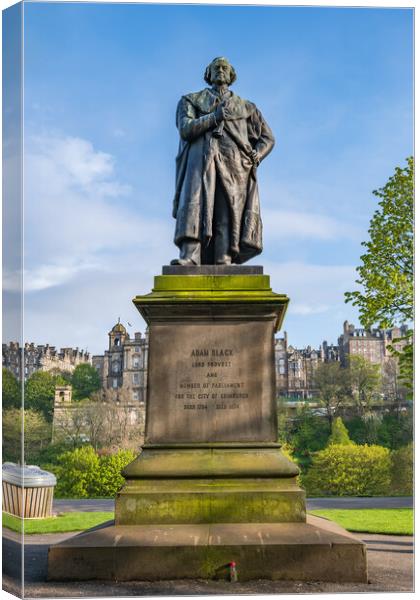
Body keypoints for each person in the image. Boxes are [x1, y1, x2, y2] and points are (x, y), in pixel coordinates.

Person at [171, 57, 275, 266]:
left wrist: (258, 154)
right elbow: (186, 129)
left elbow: (268, 138)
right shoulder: (191, 100)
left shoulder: (246, 107)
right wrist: (214, 117)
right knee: (195, 202)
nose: (220, 70)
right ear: (208, 74)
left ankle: (223, 257)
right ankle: (190, 256)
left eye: (224, 68)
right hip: (199, 162)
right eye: (216, 67)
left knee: (227, 207)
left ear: (231, 74)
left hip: (235, 165)